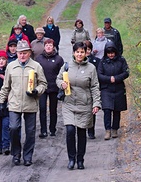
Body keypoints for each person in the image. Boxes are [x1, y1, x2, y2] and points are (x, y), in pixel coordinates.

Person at [0, 40, 47, 167]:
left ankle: (27, 156)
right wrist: (1, 101)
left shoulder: (36, 66)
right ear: (17, 54)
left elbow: (43, 84)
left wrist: (37, 91)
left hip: (30, 103)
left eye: (25, 53)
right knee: (13, 128)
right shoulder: (11, 66)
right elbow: (6, 86)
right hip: (14, 103)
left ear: (29, 53)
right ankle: (16, 154)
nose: (22, 55)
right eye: (20, 53)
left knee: (30, 132)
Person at [56, 42, 101, 170]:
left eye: (82, 52)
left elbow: (95, 87)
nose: (79, 54)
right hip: (69, 104)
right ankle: (71, 158)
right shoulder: (67, 66)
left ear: (86, 52)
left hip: (84, 105)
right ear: (74, 53)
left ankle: (80, 159)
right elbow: (58, 79)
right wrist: (61, 84)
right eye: (77, 52)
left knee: (81, 133)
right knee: (70, 131)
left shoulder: (91, 68)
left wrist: (96, 103)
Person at [98, 42, 129, 140]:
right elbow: (99, 75)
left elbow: (126, 72)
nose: (110, 55)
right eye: (108, 53)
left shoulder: (121, 60)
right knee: (107, 110)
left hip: (118, 88)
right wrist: (109, 79)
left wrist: (116, 78)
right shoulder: (102, 62)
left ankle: (115, 128)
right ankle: (107, 130)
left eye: (112, 53)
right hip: (106, 89)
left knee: (117, 110)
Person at [36, 38, 64, 138]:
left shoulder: (58, 59)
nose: (48, 47)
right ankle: (43, 130)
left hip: (54, 87)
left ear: (53, 47)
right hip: (42, 87)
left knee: (53, 109)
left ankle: (53, 129)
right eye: (47, 45)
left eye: (50, 45)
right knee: (42, 108)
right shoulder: (39, 59)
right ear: (44, 46)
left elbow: (62, 73)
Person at [85, 41, 100, 140]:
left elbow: (99, 75)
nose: (87, 52)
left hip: (92, 88)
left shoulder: (96, 61)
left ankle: (91, 130)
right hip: (82, 89)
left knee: (92, 110)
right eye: (85, 50)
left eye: (89, 49)